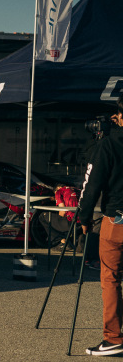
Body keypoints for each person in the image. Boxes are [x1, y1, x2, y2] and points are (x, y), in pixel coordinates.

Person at [82, 96, 123, 356]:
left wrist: (84, 218)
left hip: (117, 220)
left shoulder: (109, 144)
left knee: (110, 279)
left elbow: (92, 185)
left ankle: (114, 338)